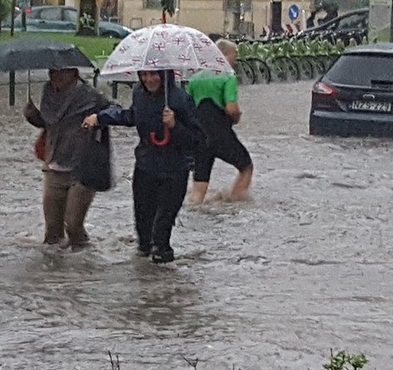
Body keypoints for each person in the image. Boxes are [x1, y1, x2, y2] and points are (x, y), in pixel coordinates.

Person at [82, 70, 201, 263]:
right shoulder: (139, 93)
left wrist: (174, 126)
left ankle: (165, 280)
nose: (148, 80)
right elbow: (131, 116)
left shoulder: (180, 99)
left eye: (153, 75)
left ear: (164, 75)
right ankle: (144, 284)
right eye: (144, 75)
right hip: (146, 167)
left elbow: (197, 139)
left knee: (161, 230)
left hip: (174, 170)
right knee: (143, 229)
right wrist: (101, 117)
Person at [23, 68, 114, 249]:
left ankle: (85, 266)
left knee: (73, 226)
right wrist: (33, 116)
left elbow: (114, 110)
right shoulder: (48, 91)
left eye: (60, 72)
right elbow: (51, 123)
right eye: (52, 71)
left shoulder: (89, 95)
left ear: (73, 73)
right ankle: (56, 274)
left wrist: (97, 118)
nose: (54, 75)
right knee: (52, 234)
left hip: (83, 168)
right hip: (54, 166)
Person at [185, 39, 253, 205]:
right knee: (246, 167)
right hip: (221, 134)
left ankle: (195, 208)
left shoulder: (194, 79)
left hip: (199, 137)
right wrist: (237, 116)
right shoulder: (228, 77)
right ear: (225, 55)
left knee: (199, 185)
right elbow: (231, 108)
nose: (235, 59)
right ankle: (233, 201)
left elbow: (188, 109)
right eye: (234, 55)